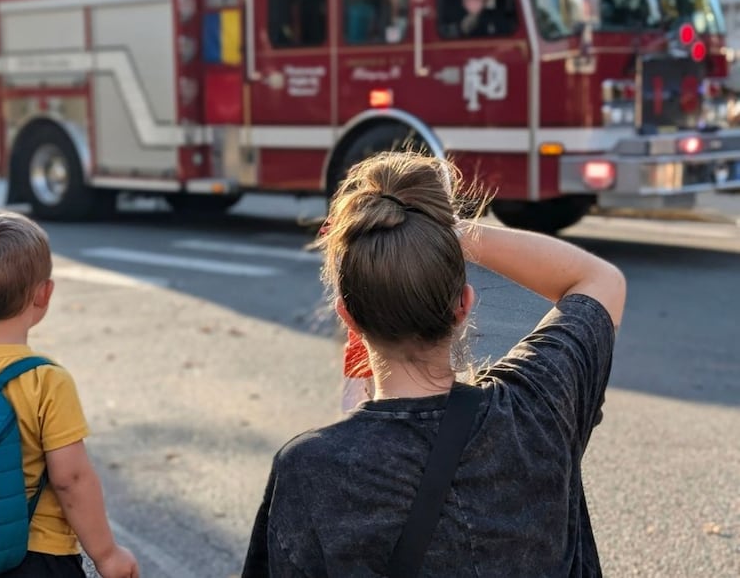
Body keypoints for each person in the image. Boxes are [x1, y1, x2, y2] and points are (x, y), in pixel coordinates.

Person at [242, 152, 626, 576]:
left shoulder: (311, 471)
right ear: (463, 304)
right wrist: (445, 232)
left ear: (348, 317)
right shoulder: (538, 408)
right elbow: (599, 280)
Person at [0, 209, 139, 578]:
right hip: (35, 558)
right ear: (44, 294)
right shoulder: (46, 381)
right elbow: (71, 479)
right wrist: (107, 554)